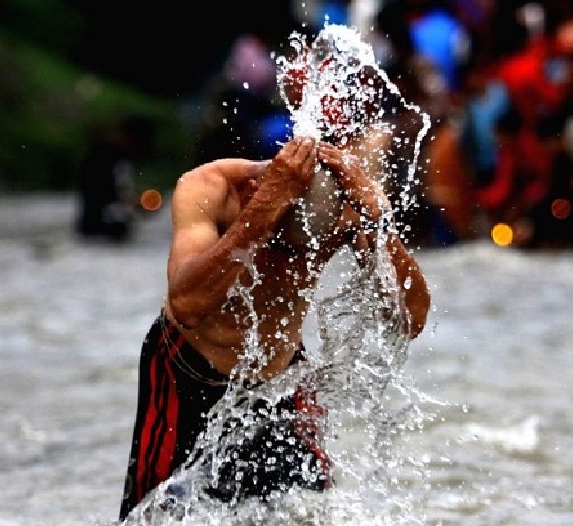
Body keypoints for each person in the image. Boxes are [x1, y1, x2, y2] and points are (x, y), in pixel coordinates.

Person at [117, 134, 431, 520]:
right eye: (282, 244)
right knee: (156, 514)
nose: (292, 259)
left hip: (279, 378)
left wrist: (379, 222)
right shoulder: (212, 188)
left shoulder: (347, 208)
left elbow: (410, 320)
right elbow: (188, 305)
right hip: (189, 370)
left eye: (307, 251)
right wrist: (265, 212)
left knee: (310, 511)